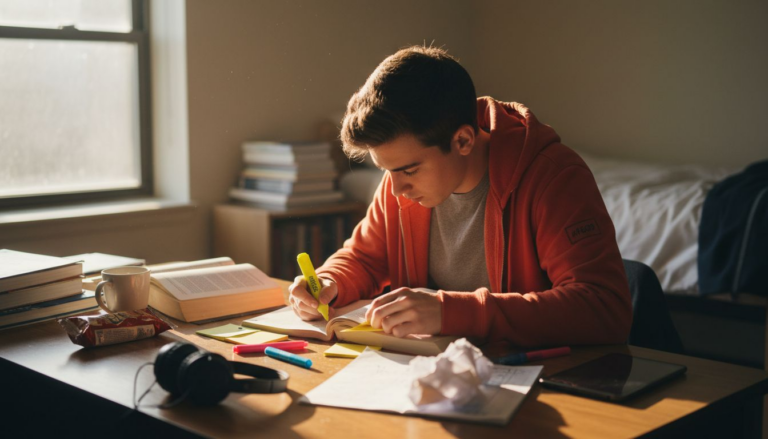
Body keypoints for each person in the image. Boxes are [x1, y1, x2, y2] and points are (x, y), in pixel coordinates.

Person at [288, 45, 632, 347]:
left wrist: (450, 312)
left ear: (464, 141)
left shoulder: (553, 177)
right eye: (385, 171)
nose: (395, 191)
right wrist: (330, 281)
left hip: (538, 379)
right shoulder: (399, 184)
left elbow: (603, 307)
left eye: (408, 170)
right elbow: (363, 259)